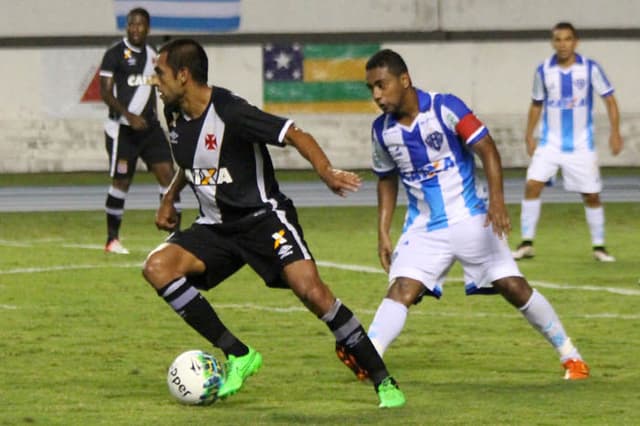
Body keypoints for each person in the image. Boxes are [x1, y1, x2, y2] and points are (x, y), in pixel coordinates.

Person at [142, 38, 405, 408]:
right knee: (157, 267)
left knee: (313, 293)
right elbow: (192, 162)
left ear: (183, 76)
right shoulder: (171, 113)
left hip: (263, 220)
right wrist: (170, 196)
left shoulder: (231, 111)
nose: (156, 81)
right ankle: (238, 354)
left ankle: (383, 381)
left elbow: (295, 133)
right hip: (216, 227)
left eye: (160, 73)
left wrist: (326, 171)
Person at [350, 48, 589, 381]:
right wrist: (383, 232)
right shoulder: (382, 131)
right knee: (402, 288)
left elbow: (487, 148)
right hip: (424, 227)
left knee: (513, 286)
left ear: (404, 80)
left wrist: (497, 201)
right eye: (371, 88)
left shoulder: (446, 107)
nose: (376, 95)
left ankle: (571, 357)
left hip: (471, 219)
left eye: (381, 85)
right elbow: (386, 180)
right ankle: (369, 359)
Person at [512, 22, 623, 262]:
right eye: (558, 39)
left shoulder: (590, 68)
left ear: (576, 42)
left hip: (581, 145)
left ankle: (599, 246)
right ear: (553, 43)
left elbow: (610, 100)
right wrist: (529, 135)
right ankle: (526, 243)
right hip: (549, 143)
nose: (563, 44)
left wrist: (615, 132)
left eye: (567, 39)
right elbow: (536, 103)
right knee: (532, 184)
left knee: (591, 195)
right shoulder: (543, 70)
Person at [99, 7, 179, 254]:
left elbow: (163, 89)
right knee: (121, 182)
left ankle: (174, 238)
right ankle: (112, 240)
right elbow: (105, 92)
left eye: (140, 25)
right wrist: (128, 115)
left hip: (150, 129)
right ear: (127, 27)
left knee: (169, 176)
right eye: (132, 24)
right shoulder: (114, 54)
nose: (136, 29)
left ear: (148, 28)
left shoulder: (154, 56)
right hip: (123, 130)